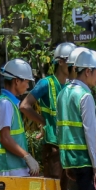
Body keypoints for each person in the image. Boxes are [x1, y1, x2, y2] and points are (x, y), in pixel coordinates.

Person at [56, 48, 96, 190]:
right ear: (87, 71)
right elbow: (90, 134)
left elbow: (60, 131)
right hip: (85, 161)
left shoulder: (62, 93)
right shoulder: (85, 96)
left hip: (69, 161)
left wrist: (66, 163)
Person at [20, 41, 77, 181]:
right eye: (71, 63)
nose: (74, 67)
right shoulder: (47, 83)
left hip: (70, 147)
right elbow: (24, 105)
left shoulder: (72, 86)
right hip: (53, 147)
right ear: (61, 62)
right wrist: (44, 121)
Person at [0, 59, 40, 177]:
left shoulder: (10, 103)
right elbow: (5, 138)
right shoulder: (5, 104)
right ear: (16, 81)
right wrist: (26, 156)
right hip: (6, 170)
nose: (27, 86)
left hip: (12, 169)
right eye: (26, 82)